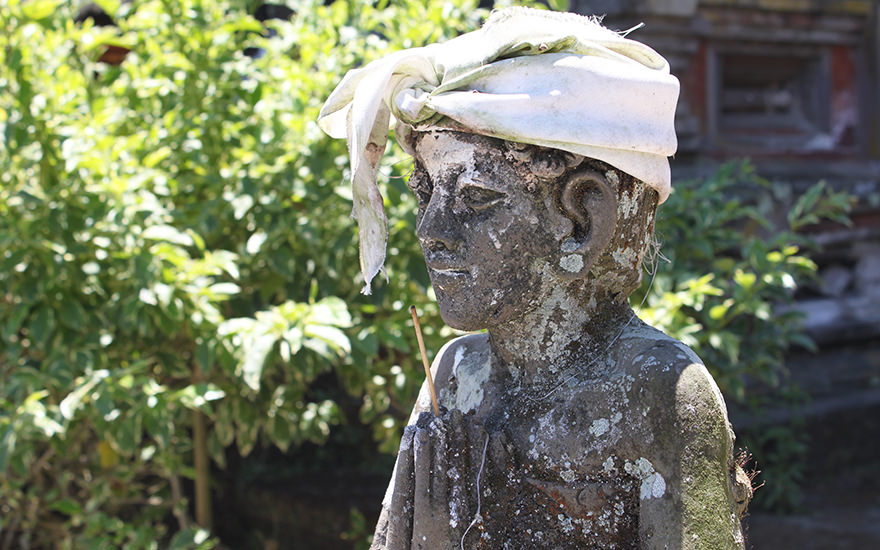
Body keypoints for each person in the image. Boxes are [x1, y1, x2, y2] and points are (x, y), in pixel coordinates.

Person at [319, 7, 749, 549]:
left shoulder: (657, 391)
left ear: (581, 219)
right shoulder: (455, 376)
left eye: (476, 198)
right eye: (426, 193)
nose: (432, 230)